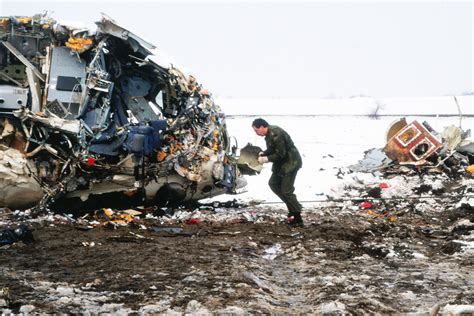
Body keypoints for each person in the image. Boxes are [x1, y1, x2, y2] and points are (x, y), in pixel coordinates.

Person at [252, 118, 304, 227]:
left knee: (286, 191)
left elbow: (281, 154)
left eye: (256, 130)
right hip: (281, 164)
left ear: (262, 127)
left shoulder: (276, 133)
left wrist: (266, 159)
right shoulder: (268, 135)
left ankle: (297, 217)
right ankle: (293, 206)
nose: (256, 133)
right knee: (273, 184)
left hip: (290, 163)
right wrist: (264, 153)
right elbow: (272, 149)